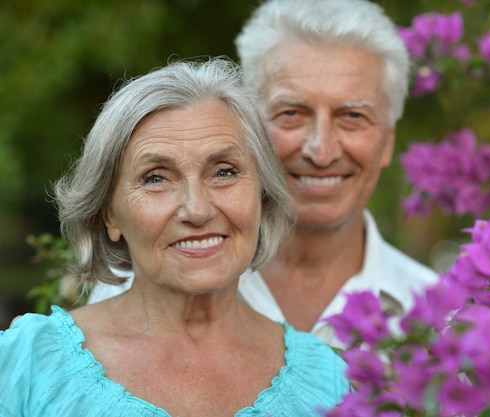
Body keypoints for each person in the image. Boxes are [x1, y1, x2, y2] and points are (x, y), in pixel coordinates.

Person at [0, 58, 350, 417]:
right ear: (109, 214)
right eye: (156, 178)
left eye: (224, 172)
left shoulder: (329, 383)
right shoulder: (27, 367)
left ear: (261, 195)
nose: (197, 210)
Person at [89, 0, 439, 350]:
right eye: (291, 113)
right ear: (247, 126)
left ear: (388, 141)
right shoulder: (132, 290)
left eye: (352, 117)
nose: (322, 151)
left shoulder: (441, 316)